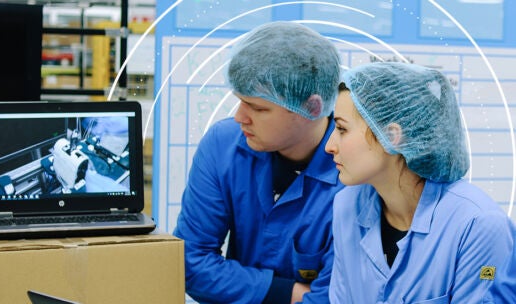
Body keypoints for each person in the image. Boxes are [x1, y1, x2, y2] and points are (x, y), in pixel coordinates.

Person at [173, 21, 344, 304]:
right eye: (241, 101)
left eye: (258, 107)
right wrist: (285, 292)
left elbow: (338, 295)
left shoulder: (353, 173)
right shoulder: (222, 145)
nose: (240, 117)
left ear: (311, 107)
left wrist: (242, 285)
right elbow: (189, 264)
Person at [325, 61, 516, 303]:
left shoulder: (479, 226)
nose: (329, 146)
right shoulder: (346, 206)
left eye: (342, 129)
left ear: (391, 137)